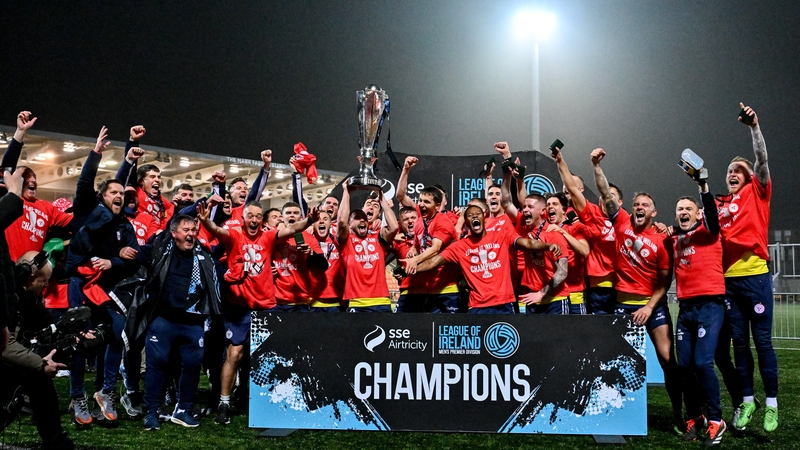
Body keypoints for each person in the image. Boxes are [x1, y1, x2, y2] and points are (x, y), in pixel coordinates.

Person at [197, 200, 316, 425]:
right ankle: (224, 403)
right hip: (239, 307)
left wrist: (309, 220)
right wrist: (206, 221)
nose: (254, 220)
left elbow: (292, 229)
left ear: (262, 219)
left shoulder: (268, 236)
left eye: (258, 216)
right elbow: (218, 231)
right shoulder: (234, 236)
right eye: (250, 216)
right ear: (243, 218)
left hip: (266, 306)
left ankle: (274, 403)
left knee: (275, 356)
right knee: (234, 355)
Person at [591, 147, 684, 432]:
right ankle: (616, 415)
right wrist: (596, 166)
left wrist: (648, 307)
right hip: (623, 305)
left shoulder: (662, 240)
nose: (639, 207)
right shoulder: (621, 222)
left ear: (654, 213)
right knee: (616, 361)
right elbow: (606, 194)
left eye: (645, 205)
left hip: (652, 307)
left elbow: (664, 281)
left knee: (667, 359)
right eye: (636, 204)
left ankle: (679, 413)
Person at [65, 127, 140, 426]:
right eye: (114, 193)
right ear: (102, 196)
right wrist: (96, 153)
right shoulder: (87, 211)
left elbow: (135, 260)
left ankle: (106, 391)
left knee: (117, 332)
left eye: (122, 193)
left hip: (107, 290)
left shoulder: (126, 226)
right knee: (79, 341)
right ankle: (77, 396)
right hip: (80, 285)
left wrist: (113, 262)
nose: (119, 196)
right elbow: (84, 183)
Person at [121, 214, 223, 430]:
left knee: (193, 365)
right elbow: (136, 257)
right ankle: (152, 412)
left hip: (193, 322)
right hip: (163, 320)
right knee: (156, 365)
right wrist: (119, 254)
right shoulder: (159, 251)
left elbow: (219, 276)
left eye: (194, 230)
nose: (191, 234)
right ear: (174, 233)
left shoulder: (203, 256)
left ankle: (183, 410)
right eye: (186, 230)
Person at [716, 103, 778, 432]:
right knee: (739, 344)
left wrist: (754, 128)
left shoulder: (758, 191)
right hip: (729, 283)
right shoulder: (720, 203)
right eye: (729, 170)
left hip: (755, 276)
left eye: (738, 170)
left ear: (750, 176)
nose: (732, 173)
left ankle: (772, 405)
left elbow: (762, 160)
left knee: (763, 342)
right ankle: (748, 402)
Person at [670, 168, 727, 445]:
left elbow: (713, 215)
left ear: (697, 214)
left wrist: (703, 187)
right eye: (679, 209)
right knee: (684, 367)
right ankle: (696, 417)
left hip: (710, 306)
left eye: (688, 209)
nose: (683, 212)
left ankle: (716, 420)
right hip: (686, 310)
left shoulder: (709, 231)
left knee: (703, 364)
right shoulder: (674, 239)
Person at [412, 205, 559, 313]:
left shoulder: (502, 235)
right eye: (470, 216)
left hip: (504, 304)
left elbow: (528, 243)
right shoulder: (459, 247)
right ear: (466, 222)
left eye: (478, 214)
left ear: (484, 218)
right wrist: (410, 269)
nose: (475, 217)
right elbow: (433, 262)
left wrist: (548, 246)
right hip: (477, 306)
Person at [1, 250, 74, 449]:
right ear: (30, 278)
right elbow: (6, 346)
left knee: (39, 380)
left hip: (11, 361)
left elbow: (47, 327)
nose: (46, 286)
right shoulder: (9, 299)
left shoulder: (32, 299)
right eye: (44, 281)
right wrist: (40, 364)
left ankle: (55, 440)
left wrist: (74, 336)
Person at [551, 145, 618, 314]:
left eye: (612, 197)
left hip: (621, 286)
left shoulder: (624, 220)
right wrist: (560, 162)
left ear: (620, 203)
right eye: (605, 196)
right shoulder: (592, 214)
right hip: (596, 288)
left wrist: (662, 228)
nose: (608, 199)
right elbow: (572, 189)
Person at [2, 111, 73, 262]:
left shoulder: (47, 208)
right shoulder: (9, 201)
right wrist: (20, 133)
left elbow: (77, 221)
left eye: (34, 177)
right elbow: (6, 168)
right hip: (9, 268)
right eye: (27, 176)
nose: (32, 180)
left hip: (33, 272)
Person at [338, 181, 399, 312]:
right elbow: (342, 221)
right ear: (350, 224)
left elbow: (394, 227)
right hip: (357, 302)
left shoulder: (378, 236)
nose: (362, 219)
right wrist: (346, 192)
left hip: (382, 301)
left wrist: (381, 197)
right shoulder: (347, 240)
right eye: (357, 217)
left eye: (375, 205)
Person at [545, 192, 590, 314]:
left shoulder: (574, 228)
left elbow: (585, 251)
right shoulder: (545, 229)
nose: (550, 207)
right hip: (555, 294)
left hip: (574, 293)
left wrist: (563, 232)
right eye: (548, 204)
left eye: (555, 204)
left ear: (564, 210)